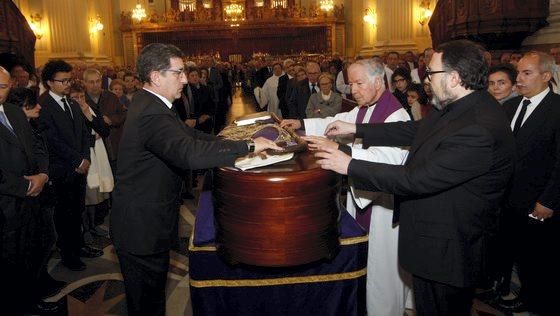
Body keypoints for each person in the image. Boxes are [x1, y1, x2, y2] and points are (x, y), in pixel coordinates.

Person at [314, 40, 515, 315]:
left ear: (454, 78)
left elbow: (415, 179)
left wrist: (350, 165)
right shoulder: (462, 105)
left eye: (431, 74)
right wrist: (357, 128)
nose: (426, 81)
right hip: (434, 241)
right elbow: (414, 129)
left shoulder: (478, 127)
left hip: (449, 250)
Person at [110, 43, 280, 316]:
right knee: (146, 303)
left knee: (151, 297)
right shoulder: (152, 113)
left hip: (146, 219)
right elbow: (189, 154)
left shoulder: (154, 103)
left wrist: (234, 139)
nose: (185, 79)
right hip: (140, 227)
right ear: (156, 76)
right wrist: (247, 148)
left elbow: (192, 137)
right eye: (178, 73)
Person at [282, 59, 412, 316]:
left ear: (378, 82)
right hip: (360, 197)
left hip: (382, 207)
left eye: (359, 83)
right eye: (351, 83)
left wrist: (342, 150)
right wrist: (302, 124)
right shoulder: (364, 108)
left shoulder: (395, 114)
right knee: (365, 267)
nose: (353, 90)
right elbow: (336, 121)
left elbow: (389, 161)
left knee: (381, 276)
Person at [497, 51, 560, 315]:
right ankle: (524, 295)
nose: (519, 79)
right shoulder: (510, 107)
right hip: (509, 198)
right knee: (518, 254)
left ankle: (541, 303)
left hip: (540, 200)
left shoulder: (557, 109)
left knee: (540, 258)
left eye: (526, 73)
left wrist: (548, 200)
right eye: (518, 73)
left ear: (546, 76)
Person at [39, 60, 100, 271]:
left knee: (78, 210)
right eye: (62, 81)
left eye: (69, 80)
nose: (67, 84)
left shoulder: (72, 103)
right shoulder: (44, 106)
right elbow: (51, 140)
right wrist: (77, 160)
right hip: (62, 170)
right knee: (65, 215)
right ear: (49, 82)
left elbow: (84, 133)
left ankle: (80, 245)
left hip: (79, 168)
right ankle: (69, 255)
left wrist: (85, 158)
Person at [0, 67, 50, 314]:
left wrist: (43, 174)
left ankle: (31, 301)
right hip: (6, 206)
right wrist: (26, 185)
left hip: (31, 201)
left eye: (3, 86)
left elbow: (37, 146)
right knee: (8, 264)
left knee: (30, 253)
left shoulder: (13, 111)